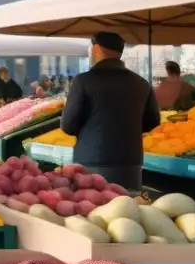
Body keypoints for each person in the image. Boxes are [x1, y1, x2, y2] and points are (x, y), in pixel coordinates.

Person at [61, 31, 159, 191]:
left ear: (97, 49)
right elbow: (153, 121)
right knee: (128, 209)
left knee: (93, 211)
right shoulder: (141, 83)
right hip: (130, 164)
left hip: (92, 162)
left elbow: (67, 125)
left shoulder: (83, 81)